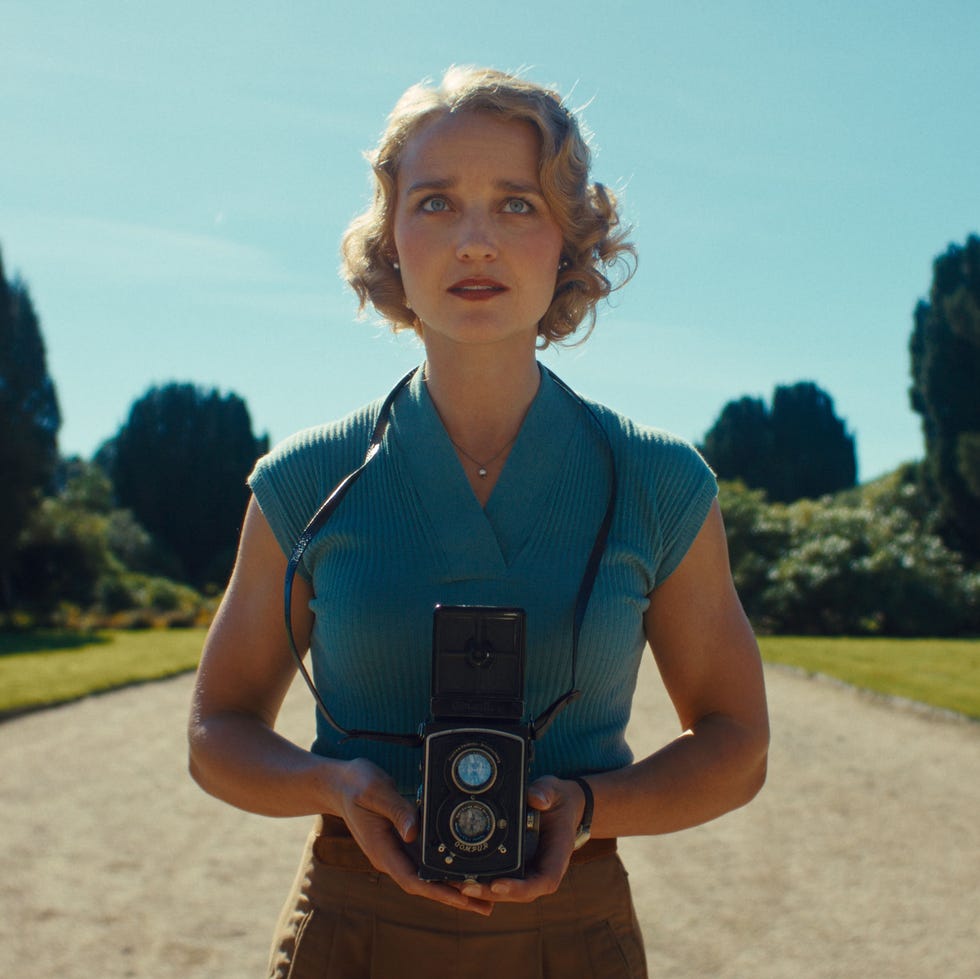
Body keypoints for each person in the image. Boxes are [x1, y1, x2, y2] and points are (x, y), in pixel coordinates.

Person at [187, 66, 769, 979]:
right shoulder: (304, 480)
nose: (474, 242)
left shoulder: (659, 481)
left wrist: (589, 803)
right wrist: (333, 786)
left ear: (571, 243)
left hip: (571, 941)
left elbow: (736, 743)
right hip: (351, 937)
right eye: (434, 205)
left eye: (516, 206)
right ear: (389, 242)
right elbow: (216, 731)